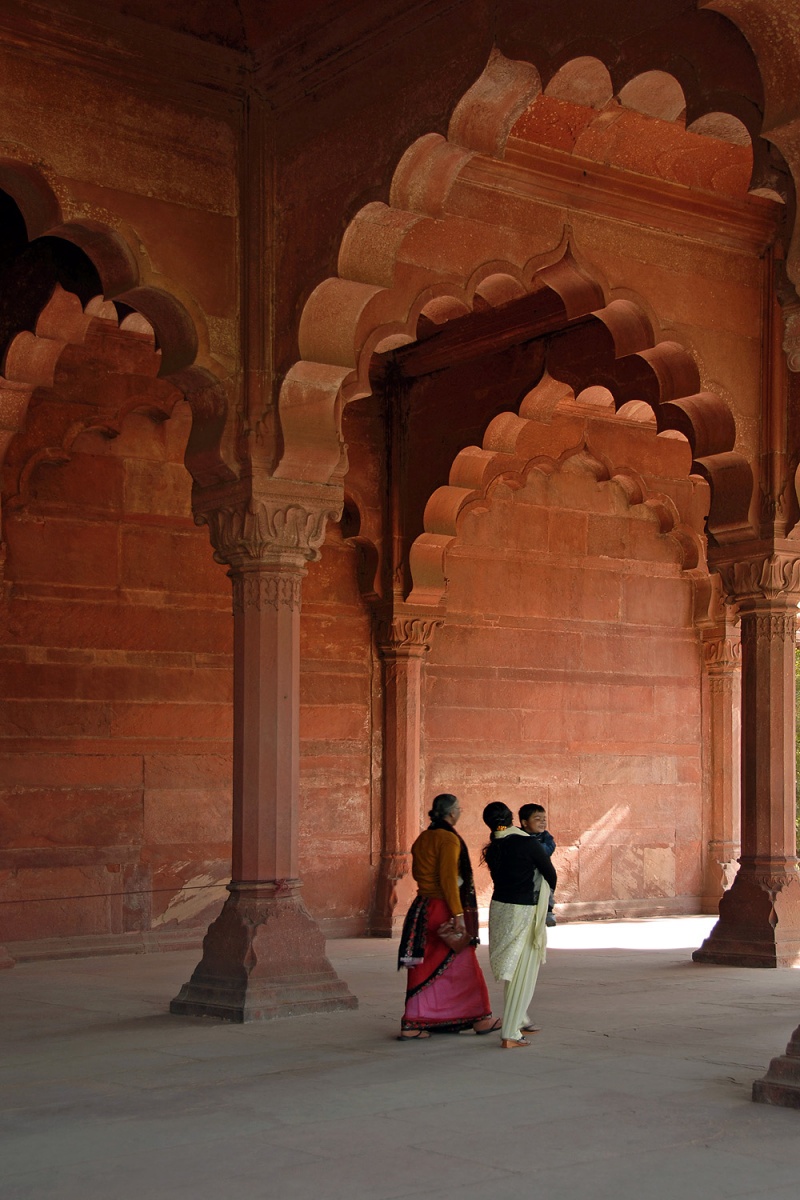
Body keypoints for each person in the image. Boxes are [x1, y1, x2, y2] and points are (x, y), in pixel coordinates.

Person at [397, 793, 499, 1040]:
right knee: (464, 964)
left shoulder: (424, 838)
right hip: (443, 908)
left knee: (425, 966)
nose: (460, 812)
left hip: (423, 907)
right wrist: (458, 914)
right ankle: (479, 1018)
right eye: (459, 808)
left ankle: (416, 1021)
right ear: (452, 812)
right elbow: (448, 881)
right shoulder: (448, 840)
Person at [482, 801, 558, 1049]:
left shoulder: (494, 846)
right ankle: (511, 1032)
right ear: (513, 818)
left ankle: (519, 1018)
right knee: (524, 970)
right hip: (524, 910)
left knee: (513, 967)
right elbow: (551, 874)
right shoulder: (527, 843)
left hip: (500, 908)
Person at [519, 803, 557, 926]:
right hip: (526, 875)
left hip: (542, 872)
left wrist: (534, 849)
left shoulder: (545, 836)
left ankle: (548, 911)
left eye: (544, 819)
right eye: (537, 819)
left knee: (547, 892)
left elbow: (549, 849)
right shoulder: (518, 836)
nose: (542, 822)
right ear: (524, 823)